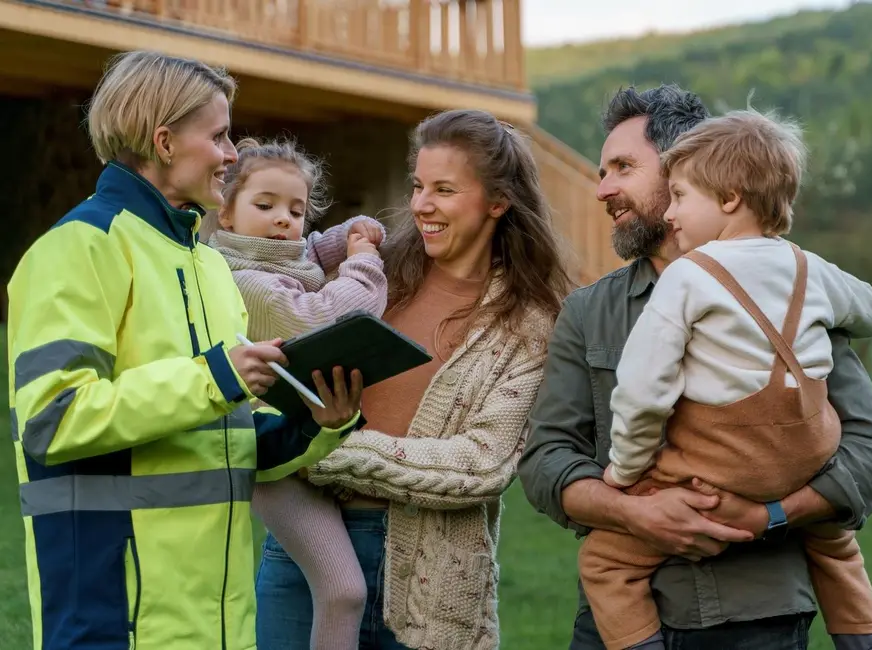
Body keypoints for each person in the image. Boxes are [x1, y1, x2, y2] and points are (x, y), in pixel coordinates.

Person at [519, 84, 872, 650]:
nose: (603, 189)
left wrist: (768, 514)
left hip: (758, 619)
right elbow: (545, 461)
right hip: (619, 621)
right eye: (603, 171)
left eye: (623, 167)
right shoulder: (588, 311)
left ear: (684, 168)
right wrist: (633, 513)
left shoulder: (795, 290)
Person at [5, 50, 364, 650]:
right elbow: (51, 418)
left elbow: (225, 441)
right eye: (220, 136)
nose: (231, 154)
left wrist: (316, 424)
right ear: (164, 141)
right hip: (110, 621)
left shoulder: (209, 265)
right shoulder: (78, 248)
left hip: (218, 627)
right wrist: (216, 378)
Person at [256, 109, 573, 650]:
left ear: (498, 202)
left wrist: (319, 448)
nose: (422, 204)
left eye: (445, 189)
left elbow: (482, 463)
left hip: (434, 569)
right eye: (419, 185)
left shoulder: (529, 323)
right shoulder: (367, 274)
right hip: (306, 546)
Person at [206, 136, 391, 650]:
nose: (283, 219)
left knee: (337, 589)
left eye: (296, 209)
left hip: (310, 443)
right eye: (264, 206)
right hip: (275, 458)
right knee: (344, 590)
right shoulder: (246, 281)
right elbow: (329, 315)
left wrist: (344, 235)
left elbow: (305, 253)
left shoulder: (276, 258)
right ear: (226, 213)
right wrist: (362, 260)